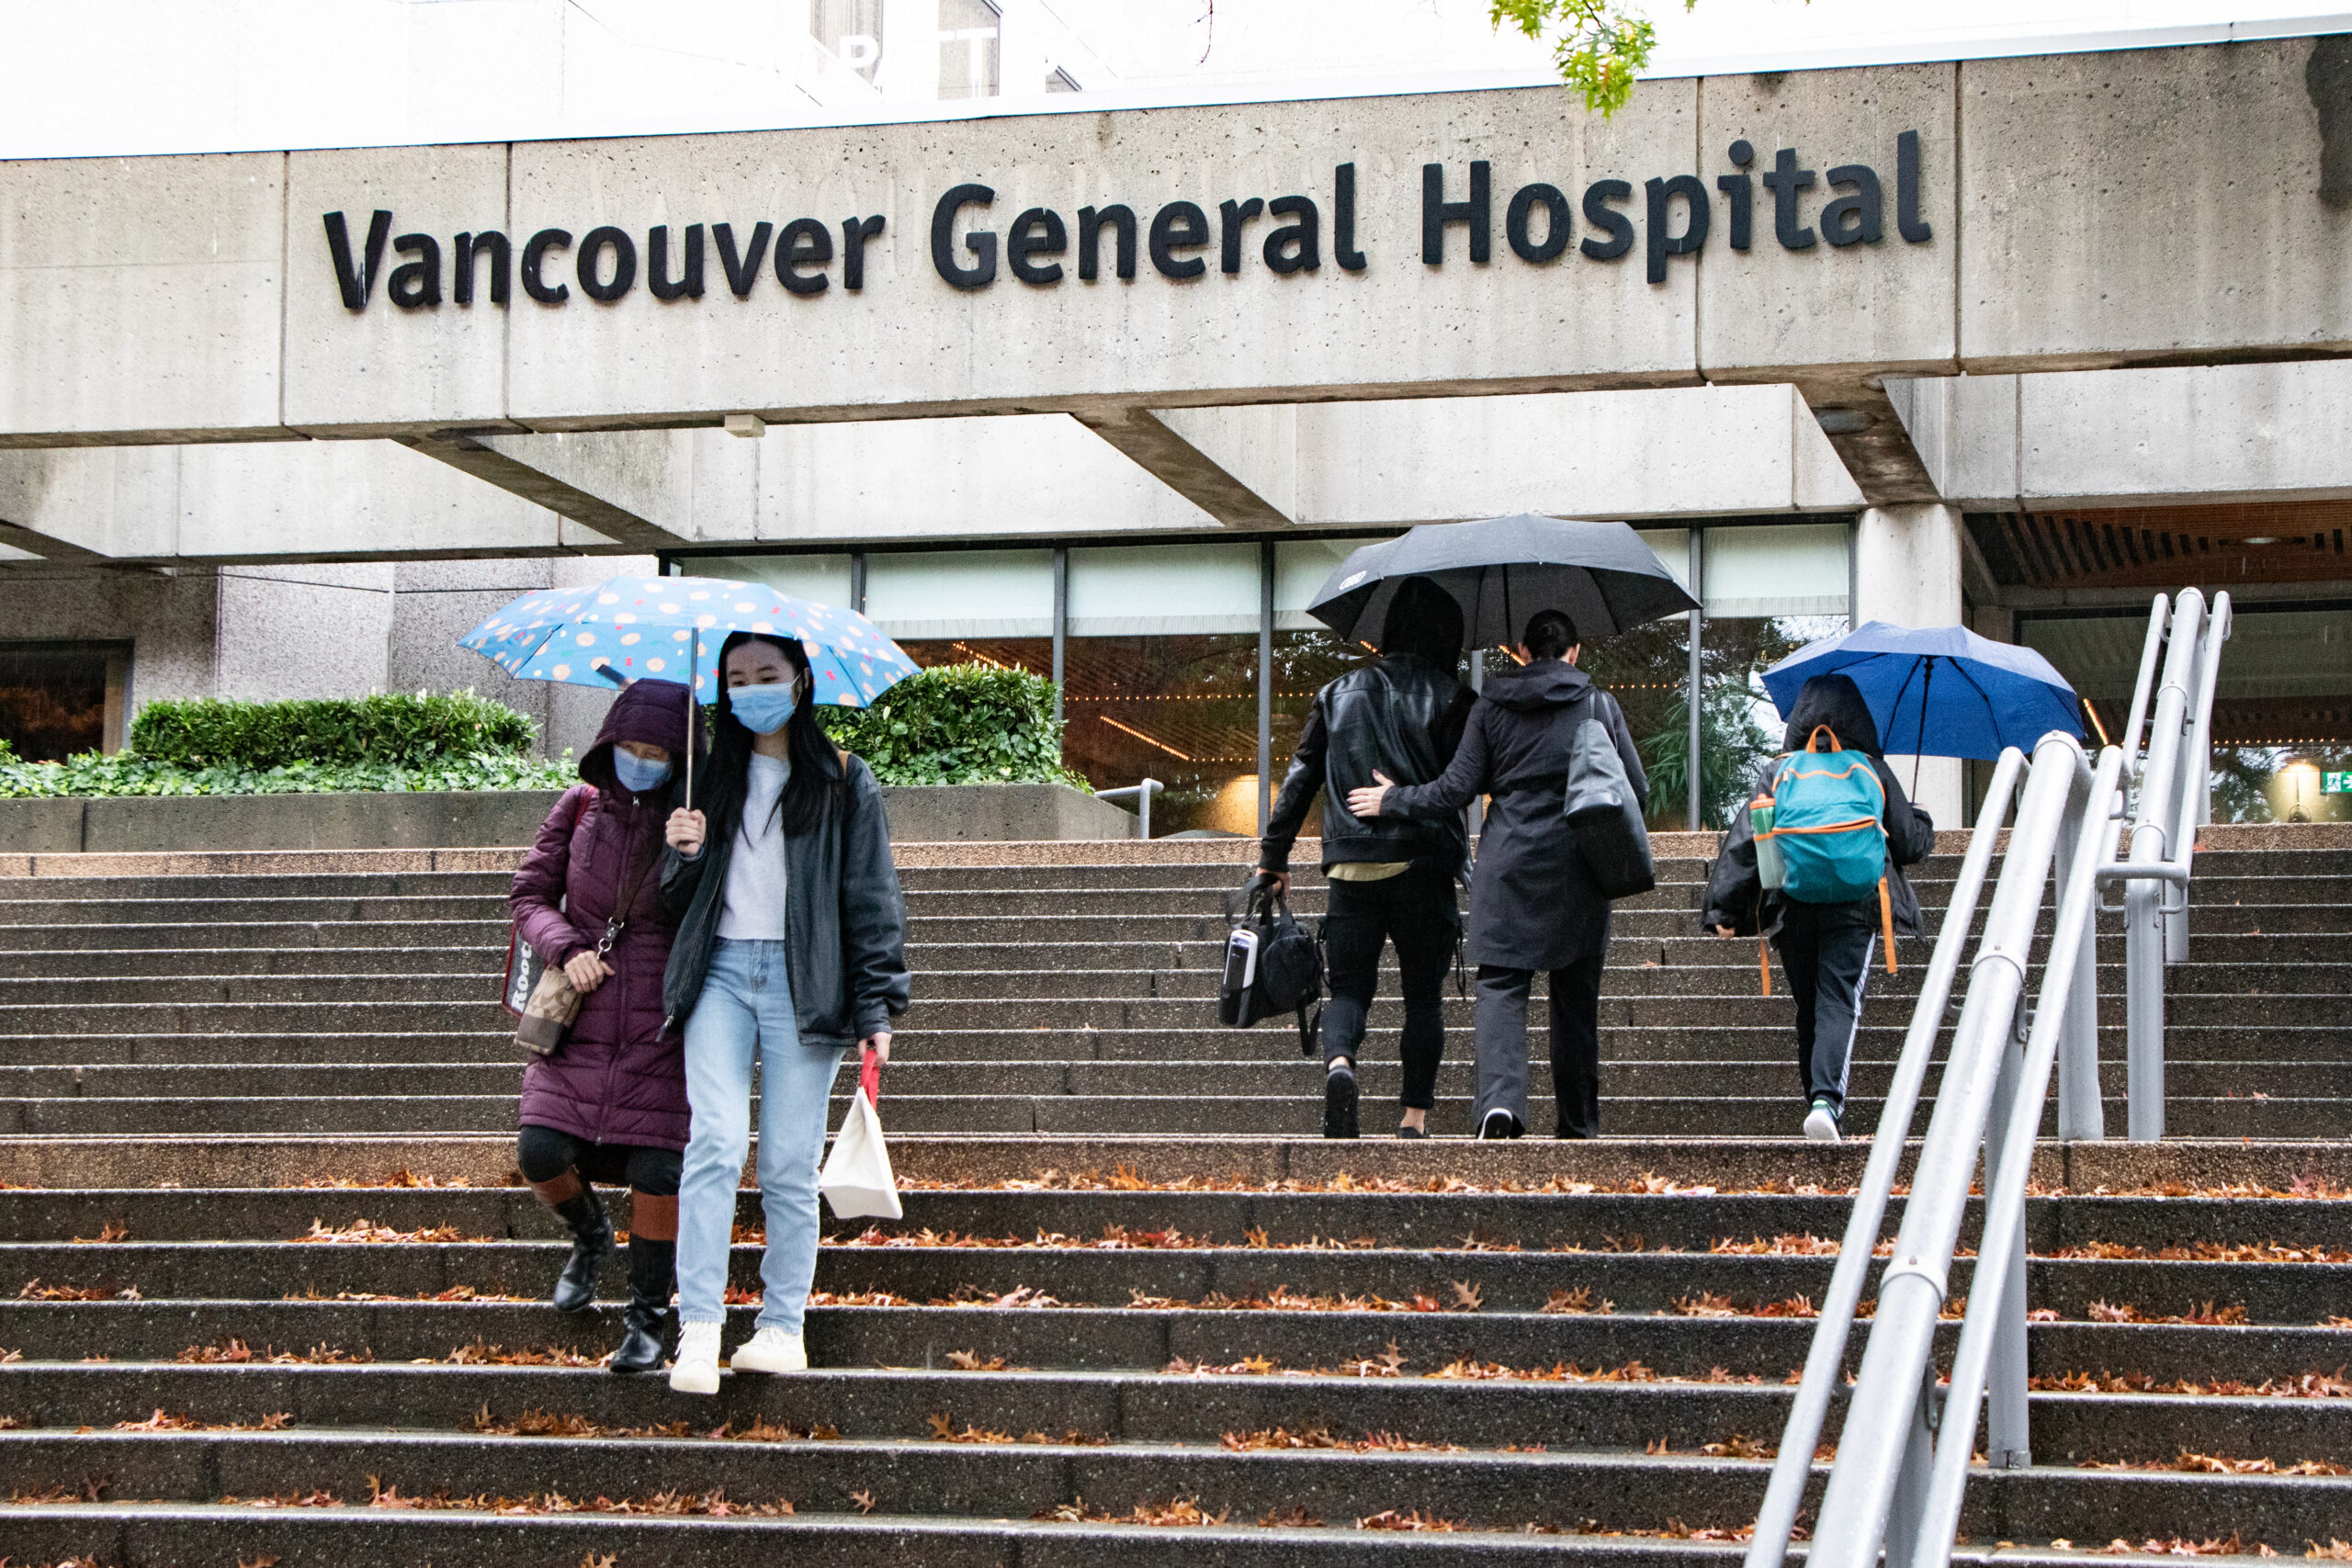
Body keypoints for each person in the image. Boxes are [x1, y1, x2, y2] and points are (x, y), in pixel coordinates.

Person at [659, 631, 910, 1394]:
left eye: (766, 673)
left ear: (800, 681)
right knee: (714, 1142)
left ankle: (780, 1326)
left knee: (788, 1166)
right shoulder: (706, 777)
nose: (750, 688)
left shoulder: (841, 778)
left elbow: (870, 898)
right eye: (736, 677)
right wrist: (684, 851)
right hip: (722, 977)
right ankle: (699, 1331)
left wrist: (878, 1006)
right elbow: (671, 901)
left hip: (810, 986)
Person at [1346, 609, 1645, 1140]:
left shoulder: (1490, 706)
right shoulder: (1599, 703)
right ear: (1574, 652)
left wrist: (1393, 798)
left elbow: (1453, 790)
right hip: (1579, 867)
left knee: (1502, 986)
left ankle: (1500, 1107)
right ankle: (1577, 1124)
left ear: (1522, 652)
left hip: (1507, 864)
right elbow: (1635, 791)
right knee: (1575, 997)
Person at [507, 677, 693, 1375]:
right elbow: (528, 893)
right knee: (540, 1149)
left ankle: (648, 1317)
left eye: (658, 751)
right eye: (630, 746)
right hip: (578, 1015)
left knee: (657, 1166)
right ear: (608, 743)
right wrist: (567, 946)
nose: (641, 760)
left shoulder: (697, 817)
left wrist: (693, 853)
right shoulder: (580, 805)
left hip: (659, 1022)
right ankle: (589, 1237)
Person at [1258, 577, 1475, 1140]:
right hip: (1423, 865)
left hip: (1351, 866)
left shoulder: (1337, 693)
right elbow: (1465, 783)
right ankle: (1413, 1120)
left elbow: (1301, 778)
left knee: (1349, 989)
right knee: (1423, 997)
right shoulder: (1454, 698)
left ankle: (1339, 1066)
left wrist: (1274, 857)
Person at [1702, 671, 1936, 1142]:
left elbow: (1747, 840)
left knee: (1808, 1004)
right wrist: (1922, 820)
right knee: (1838, 999)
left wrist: (1723, 910)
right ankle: (1826, 1104)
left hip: (1792, 904)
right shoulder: (1870, 766)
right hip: (1857, 905)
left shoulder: (1779, 770)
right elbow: (1908, 844)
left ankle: (1818, 1102)